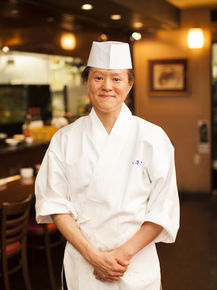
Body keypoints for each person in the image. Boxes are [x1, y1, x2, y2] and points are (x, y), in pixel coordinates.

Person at [35, 41, 180, 290]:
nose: (107, 87)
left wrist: (121, 256)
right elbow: (54, 202)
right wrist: (94, 256)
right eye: (98, 77)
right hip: (83, 264)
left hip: (135, 264)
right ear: (87, 82)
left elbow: (163, 208)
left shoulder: (153, 137)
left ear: (129, 84)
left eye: (116, 79)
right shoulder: (65, 138)